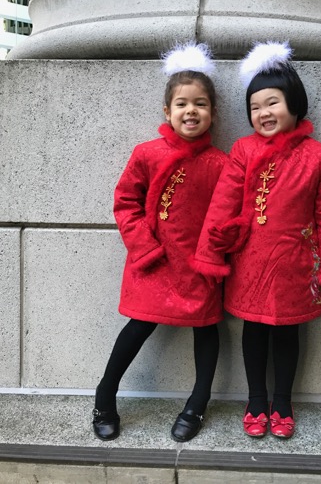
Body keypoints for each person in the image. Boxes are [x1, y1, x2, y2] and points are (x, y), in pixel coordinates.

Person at [194, 41, 321, 439]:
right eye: (255, 107)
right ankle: (254, 399)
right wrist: (210, 255)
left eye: (272, 103)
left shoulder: (318, 156)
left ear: (295, 103)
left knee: (288, 332)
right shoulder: (243, 150)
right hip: (250, 261)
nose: (263, 113)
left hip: (296, 265)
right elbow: (222, 205)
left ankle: (282, 401)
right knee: (253, 331)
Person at [92, 42, 226, 443]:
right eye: (182, 103)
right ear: (167, 112)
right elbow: (125, 203)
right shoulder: (146, 154)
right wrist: (145, 248)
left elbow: (228, 217)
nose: (191, 111)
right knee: (137, 328)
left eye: (200, 104)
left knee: (207, 329)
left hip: (199, 267)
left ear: (213, 114)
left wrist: (216, 255)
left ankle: (197, 404)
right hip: (152, 263)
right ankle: (104, 397)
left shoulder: (222, 163)